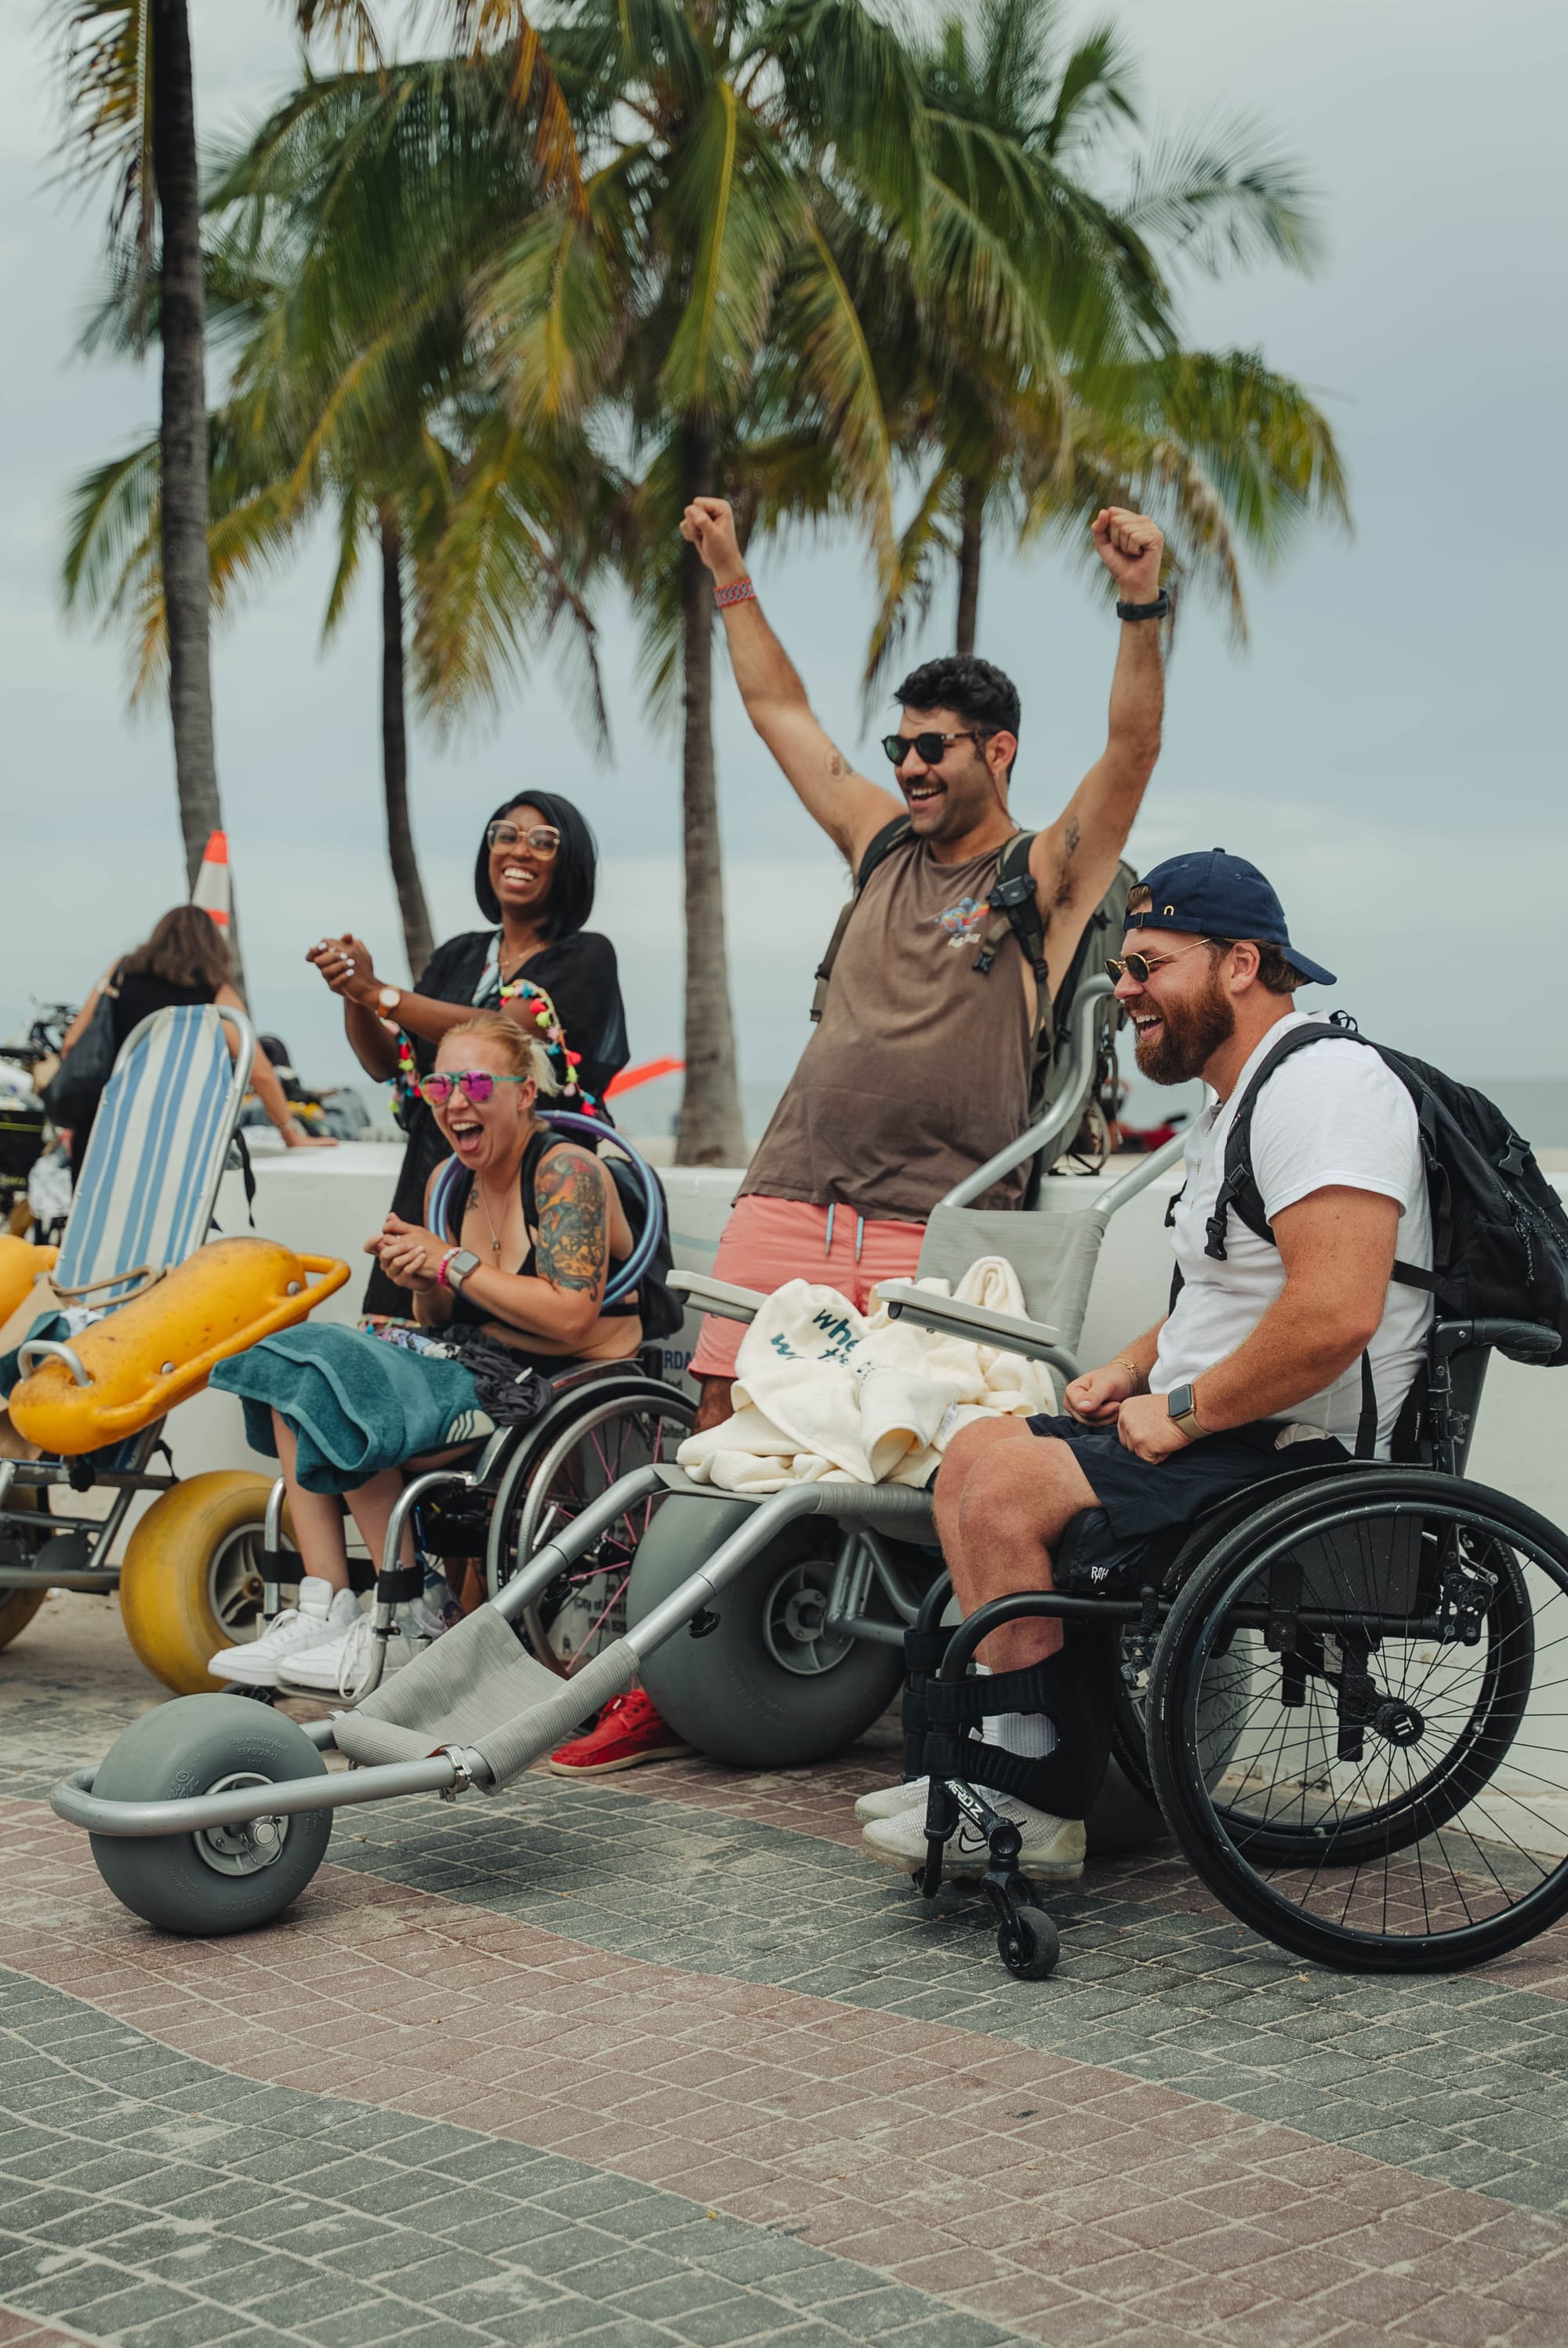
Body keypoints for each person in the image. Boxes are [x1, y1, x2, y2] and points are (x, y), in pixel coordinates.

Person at [549, 493, 1169, 1777]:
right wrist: (729, 576)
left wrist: (1141, 603)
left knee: (907, 1463)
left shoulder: (1042, 878)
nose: (910, 765)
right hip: (790, 1191)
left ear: (998, 749)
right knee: (721, 1431)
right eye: (901, 745)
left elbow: (1132, 749)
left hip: (923, 1226)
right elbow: (783, 715)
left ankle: (932, 1693)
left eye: (937, 746)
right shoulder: (879, 844)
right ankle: (678, 1677)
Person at [856, 849, 1435, 1881]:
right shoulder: (1234, 1099)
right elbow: (1233, 1292)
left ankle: (1036, 1799)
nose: (1122, 992)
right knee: (970, 1454)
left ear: (1240, 964)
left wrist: (1185, 1412)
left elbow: (1335, 1312)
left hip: (1294, 1446)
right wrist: (1131, 1367)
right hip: (1224, 1423)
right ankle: (1017, 1757)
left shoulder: (1331, 1086)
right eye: (1124, 969)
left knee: (1008, 1492)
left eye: (1147, 965)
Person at [209, 1011, 652, 1698]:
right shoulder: (451, 1178)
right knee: (294, 1369)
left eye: (476, 1082)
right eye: (442, 1083)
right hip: (472, 1359)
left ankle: (411, 1605)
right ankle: (325, 1603)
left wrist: (453, 1262)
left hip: (559, 1376)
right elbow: (442, 1314)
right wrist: (425, 1279)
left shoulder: (566, 1170)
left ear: (525, 1094)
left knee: (344, 1384)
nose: (454, 1100)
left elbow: (571, 1316)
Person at [307, 792, 630, 1318]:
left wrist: (381, 993)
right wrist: (353, 992)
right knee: (402, 1327)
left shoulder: (586, 955)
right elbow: (389, 1063)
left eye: (543, 842)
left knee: (504, 1322)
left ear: (568, 864)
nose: (520, 851)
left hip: (535, 1178)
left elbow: (506, 1032)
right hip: (439, 1167)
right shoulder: (459, 954)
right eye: (506, 835)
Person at [56, 907, 336, 1174]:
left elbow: (72, 1043)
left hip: (103, 1122)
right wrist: (291, 1134)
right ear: (211, 947)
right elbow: (260, 1071)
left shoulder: (120, 972)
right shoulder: (214, 990)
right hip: (173, 1134)